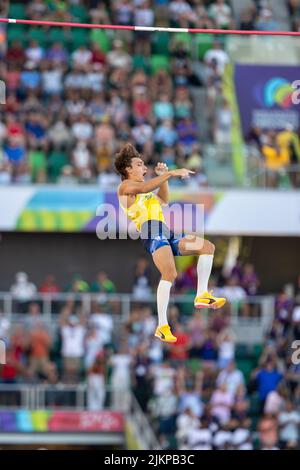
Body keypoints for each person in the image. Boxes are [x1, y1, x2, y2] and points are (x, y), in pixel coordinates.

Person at [115, 143, 226, 343]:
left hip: (166, 232)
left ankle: (201, 294)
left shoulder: (145, 191)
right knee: (170, 273)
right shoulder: (125, 187)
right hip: (151, 231)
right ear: (128, 169)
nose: (144, 168)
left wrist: (163, 176)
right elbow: (144, 186)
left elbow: (163, 201)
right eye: (140, 164)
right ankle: (162, 325)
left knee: (207, 247)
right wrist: (172, 173)